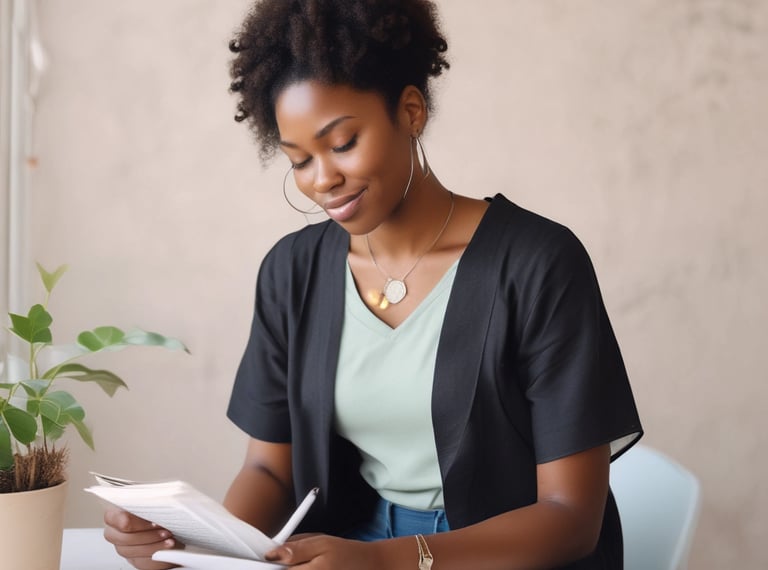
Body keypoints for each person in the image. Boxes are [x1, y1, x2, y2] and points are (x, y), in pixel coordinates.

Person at [103, 1, 643, 568]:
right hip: (345, 547)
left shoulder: (537, 264)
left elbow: (570, 518)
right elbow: (268, 468)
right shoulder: (293, 273)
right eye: (299, 160)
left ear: (410, 111)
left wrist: (389, 561)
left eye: (342, 144)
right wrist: (198, 546)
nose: (322, 180)